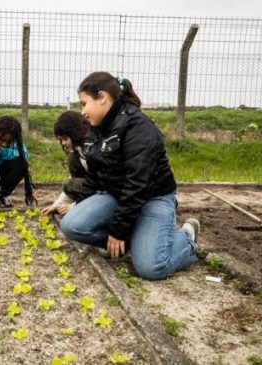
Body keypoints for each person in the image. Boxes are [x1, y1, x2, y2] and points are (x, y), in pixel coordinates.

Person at [59, 72, 200, 280]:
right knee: (71, 224)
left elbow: (138, 185)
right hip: (118, 195)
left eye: (83, 103)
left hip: (153, 197)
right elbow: (94, 177)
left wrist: (118, 231)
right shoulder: (96, 130)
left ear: (102, 97)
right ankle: (138, 240)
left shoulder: (138, 127)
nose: (83, 112)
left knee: (151, 268)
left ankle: (187, 236)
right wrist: (77, 206)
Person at [40, 110, 90, 216]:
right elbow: (72, 184)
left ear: (76, 132)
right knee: (70, 184)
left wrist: (73, 207)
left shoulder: (93, 148)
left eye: (65, 139)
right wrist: (56, 205)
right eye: (61, 140)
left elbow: (99, 185)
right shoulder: (76, 152)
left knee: (71, 184)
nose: (63, 143)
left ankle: (84, 206)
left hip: (105, 191)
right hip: (93, 188)